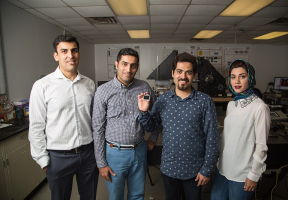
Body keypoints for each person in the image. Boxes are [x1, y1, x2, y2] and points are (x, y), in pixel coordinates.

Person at [138, 52, 219, 200]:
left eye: (188, 72)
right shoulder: (163, 100)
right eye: (179, 71)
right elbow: (151, 126)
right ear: (173, 73)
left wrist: (207, 168)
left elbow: (212, 137)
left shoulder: (204, 102)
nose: (183, 76)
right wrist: (143, 112)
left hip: (195, 171)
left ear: (194, 75)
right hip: (170, 169)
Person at [28, 34, 98, 200]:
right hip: (58, 157)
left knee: (89, 197)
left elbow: (95, 120)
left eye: (74, 51)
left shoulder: (89, 84)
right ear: (56, 55)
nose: (70, 55)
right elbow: (36, 126)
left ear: (79, 54)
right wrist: (44, 162)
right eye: (64, 51)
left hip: (88, 153)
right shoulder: (42, 86)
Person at [92, 48, 158, 200]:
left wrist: (153, 138)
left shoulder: (144, 87)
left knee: (137, 195)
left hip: (139, 151)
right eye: (124, 64)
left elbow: (156, 117)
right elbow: (98, 129)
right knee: (116, 196)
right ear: (116, 64)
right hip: (115, 153)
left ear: (137, 67)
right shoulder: (103, 91)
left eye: (133, 65)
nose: (128, 69)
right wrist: (101, 163)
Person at [211, 59, 271, 200]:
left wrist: (254, 175)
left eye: (242, 76)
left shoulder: (260, 107)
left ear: (250, 78)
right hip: (223, 169)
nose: (237, 81)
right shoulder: (232, 104)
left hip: (242, 174)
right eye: (233, 77)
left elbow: (261, 146)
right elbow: (227, 135)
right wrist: (217, 159)